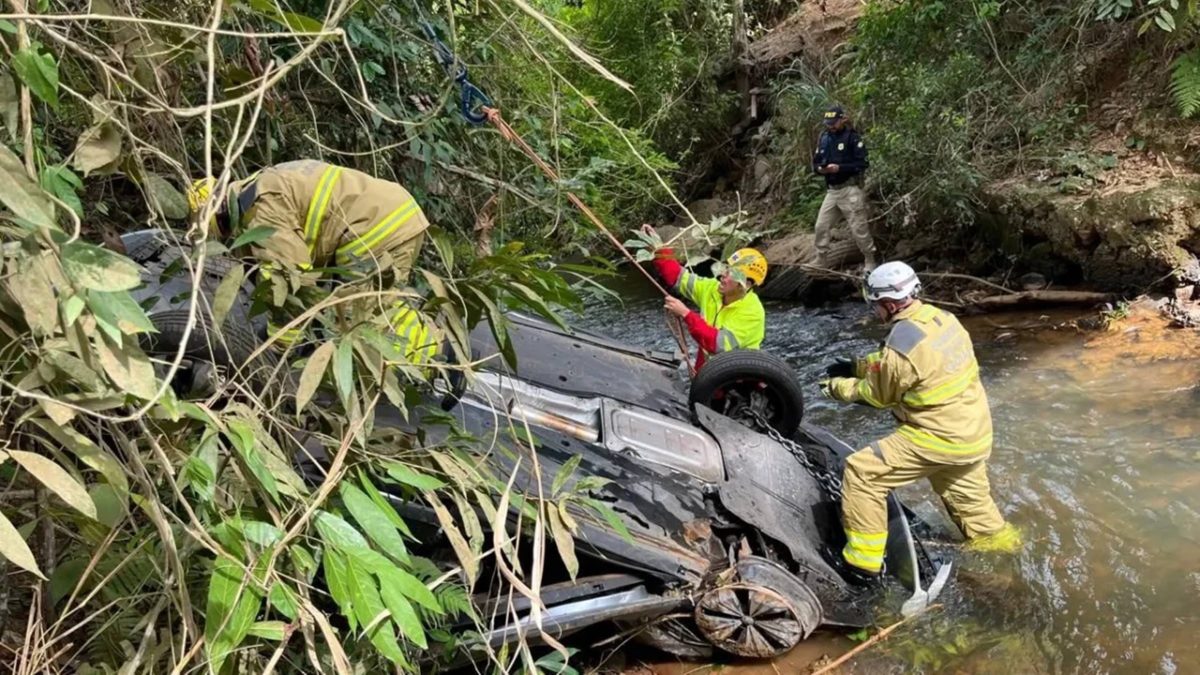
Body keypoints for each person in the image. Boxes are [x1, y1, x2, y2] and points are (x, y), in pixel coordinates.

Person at [819, 261, 1020, 580]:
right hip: (973, 434)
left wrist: (836, 387)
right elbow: (920, 365)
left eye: (875, 306)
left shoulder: (900, 346)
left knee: (862, 472)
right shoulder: (943, 319)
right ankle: (1009, 558)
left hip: (936, 436)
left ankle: (863, 563)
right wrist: (858, 365)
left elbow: (877, 395)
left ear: (887, 304)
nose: (874, 312)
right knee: (976, 512)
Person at [186, 159, 436, 362]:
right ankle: (432, 348)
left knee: (354, 325)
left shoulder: (259, 208)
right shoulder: (260, 186)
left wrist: (280, 342)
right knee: (372, 306)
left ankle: (436, 358)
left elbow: (291, 275)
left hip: (376, 226)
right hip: (387, 215)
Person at [640, 224, 767, 372]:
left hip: (734, 379)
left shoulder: (752, 312)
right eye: (726, 268)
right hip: (707, 373)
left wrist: (686, 314)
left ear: (745, 284)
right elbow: (678, 277)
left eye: (731, 273)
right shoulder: (712, 289)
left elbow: (717, 345)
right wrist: (658, 248)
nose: (723, 276)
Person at [812, 105, 877, 272]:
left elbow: (862, 163)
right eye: (828, 123)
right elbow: (816, 162)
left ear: (843, 120)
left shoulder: (852, 138)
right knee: (821, 226)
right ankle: (821, 259)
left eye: (834, 123)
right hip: (832, 191)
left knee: (859, 228)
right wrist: (821, 169)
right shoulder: (824, 137)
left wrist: (840, 168)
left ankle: (869, 259)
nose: (831, 126)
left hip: (850, 189)